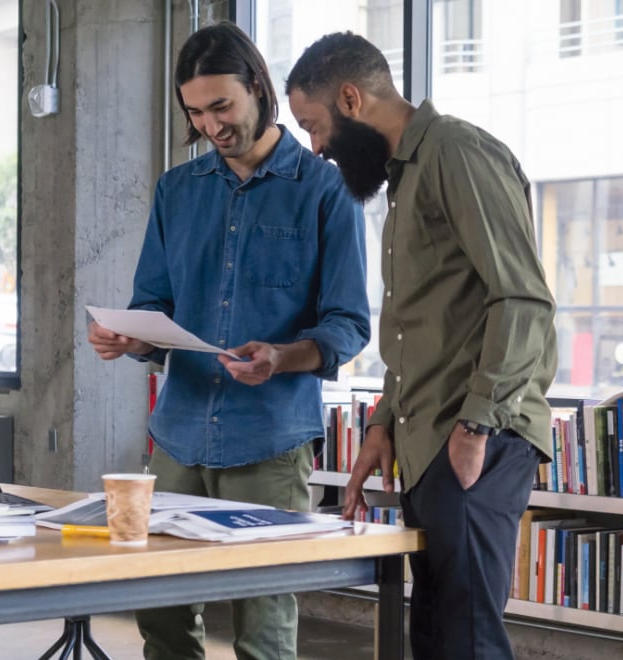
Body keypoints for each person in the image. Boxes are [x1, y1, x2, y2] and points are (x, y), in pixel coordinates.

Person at [85, 23, 369, 660]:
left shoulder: (326, 191)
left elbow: (350, 322)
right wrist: (129, 338)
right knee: (159, 616)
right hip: (177, 434)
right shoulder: (176, 191)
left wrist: (283, 356)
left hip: (268, 442)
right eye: (196, 112)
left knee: (263, 628)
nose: (211, 126)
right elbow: (153, 306)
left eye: (223, 107)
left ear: (258, 89)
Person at [286, 32, 558, 660]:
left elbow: (522, 299)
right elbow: (426, 327)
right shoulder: (405, 177)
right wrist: (382, 423)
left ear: (351, 98)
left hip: (475, 439)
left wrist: (474, 426)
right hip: (435, 436)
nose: (317, 148)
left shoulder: (456, 152)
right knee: (436, 636)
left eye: (314, 126)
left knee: (466, 639)